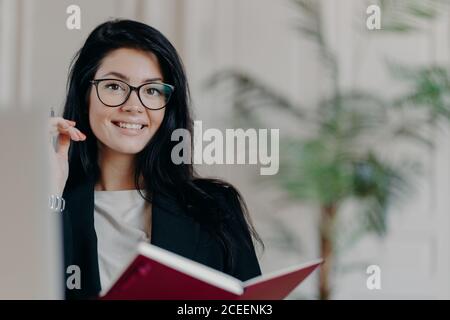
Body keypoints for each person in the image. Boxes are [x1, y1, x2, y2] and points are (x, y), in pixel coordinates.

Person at [48, 19, 263, 300]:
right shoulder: (51, 207)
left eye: (151, 90)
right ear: (85, 93)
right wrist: (50, 192)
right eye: (114, 86)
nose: (134, 106)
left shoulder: (215, 209)